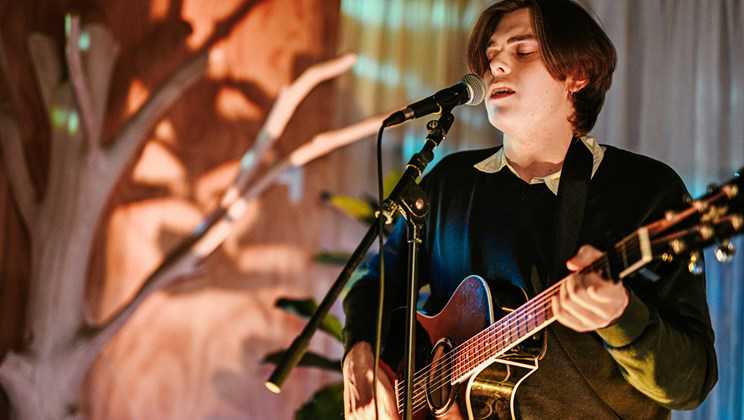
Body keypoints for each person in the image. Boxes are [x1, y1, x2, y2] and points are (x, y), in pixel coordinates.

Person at [342, 0, 718, 419]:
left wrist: (622, 317)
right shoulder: (449, 183)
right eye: (492, 55)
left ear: (577, 75)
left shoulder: (645, 190)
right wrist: (361, 348)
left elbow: (690, 383)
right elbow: (374, 278)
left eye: (522, 51)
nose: (497, 65)